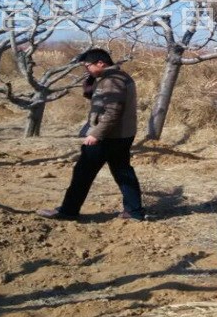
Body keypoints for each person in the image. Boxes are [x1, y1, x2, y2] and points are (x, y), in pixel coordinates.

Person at [38, 48, 146, 222]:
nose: (86, 69)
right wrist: (93, 82)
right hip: (122, 134)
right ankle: (134, 211)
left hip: (108, 136)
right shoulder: (117, 77)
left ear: (101, 63)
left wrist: (96, 134)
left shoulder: (112, 81)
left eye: (88, 65)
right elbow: (101, 100)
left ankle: (68, 211)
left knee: (83, 172)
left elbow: (112, 111)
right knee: (122, 171)